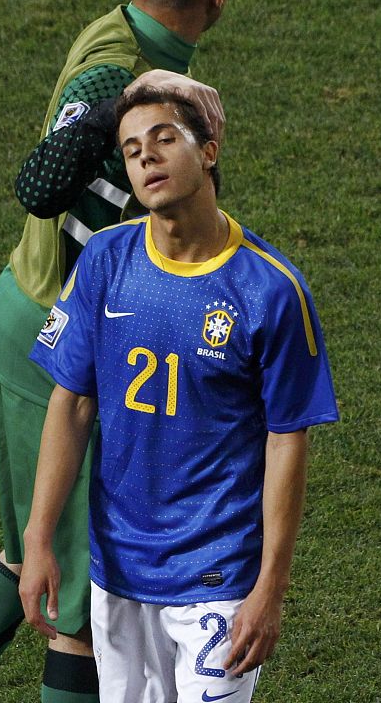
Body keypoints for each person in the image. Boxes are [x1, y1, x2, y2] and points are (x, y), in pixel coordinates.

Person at [0, 0, 233, 703]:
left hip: (22, 312)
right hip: (62, 343)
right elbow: (43, 182)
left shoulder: (110, 32)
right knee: (84, 605)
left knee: (27, 554)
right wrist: (142, 97)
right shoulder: (120, 73)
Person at [19, 86, 339, 702]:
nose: (147, 157)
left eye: (165, 139)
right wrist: (38, 540)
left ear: (209, 151)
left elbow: (286, 440)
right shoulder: (105, 259)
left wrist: (270, 589)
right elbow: (73, 403)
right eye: (131, 149)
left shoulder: (271, 291)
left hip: (219, 575)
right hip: (119, 571)